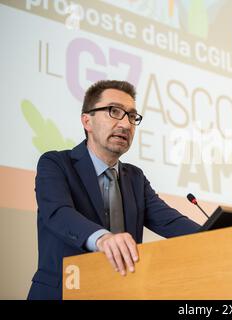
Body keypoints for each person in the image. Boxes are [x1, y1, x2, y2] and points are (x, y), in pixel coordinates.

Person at [27, 80, 201, 300]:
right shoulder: (56, 163)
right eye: (114, 111)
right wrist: (103, 238)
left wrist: (224, 236)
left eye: (131, 117)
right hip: (62, 292)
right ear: (87, 120)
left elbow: (169, 221)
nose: (126, 124)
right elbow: (59, 212)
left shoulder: (135, 177)